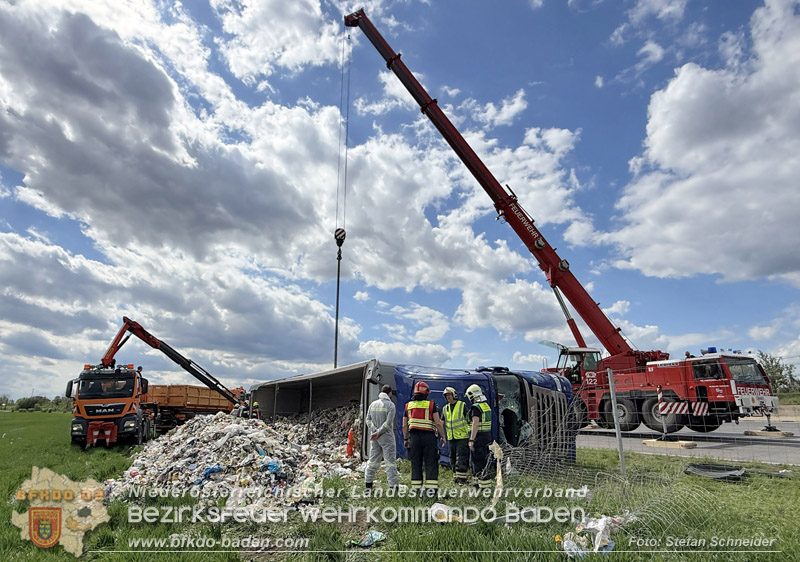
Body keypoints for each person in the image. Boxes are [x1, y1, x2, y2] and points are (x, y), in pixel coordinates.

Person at [402, 381, 445, 497]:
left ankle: (416, 492)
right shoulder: (431, 405)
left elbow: (404, 425)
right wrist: (443, 436)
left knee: (416, 464)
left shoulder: (408, 406)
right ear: (426, 393)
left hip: (414, 438)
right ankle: (431, 493)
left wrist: (406, 439)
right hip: (429, 438)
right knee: (431, 463)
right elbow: (438, 423)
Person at [364, 385, 399, 490]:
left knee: (373, 461)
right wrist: (379, 432)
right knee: (390, 463)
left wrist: (374, 431)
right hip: (386, 437)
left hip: (375, 438)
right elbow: (388, 423)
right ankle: (393, 487)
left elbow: (368, 420)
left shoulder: (372, 405)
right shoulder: (391, 405)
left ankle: (368, 485)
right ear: (390, 393)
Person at [466, 384, 493, 489]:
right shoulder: (486, 406)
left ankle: (479, 487)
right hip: (487, 437)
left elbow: (475, 424)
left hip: (478, 438)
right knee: (485, 462)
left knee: (477, 462)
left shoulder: (475, 408)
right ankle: (486, 485)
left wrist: (471, 440)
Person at [442, 387, 470, 484]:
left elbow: (469, 419)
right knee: (452, 457)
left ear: (454, 395)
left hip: (462, 436)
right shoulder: (445, 408)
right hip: (451, 437)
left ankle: (462, 478)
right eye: (446, 396)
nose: (448, 397)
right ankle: (456, 477)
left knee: (461, 457)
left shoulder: (462, 405)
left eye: (449, 395)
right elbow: (441, 422)